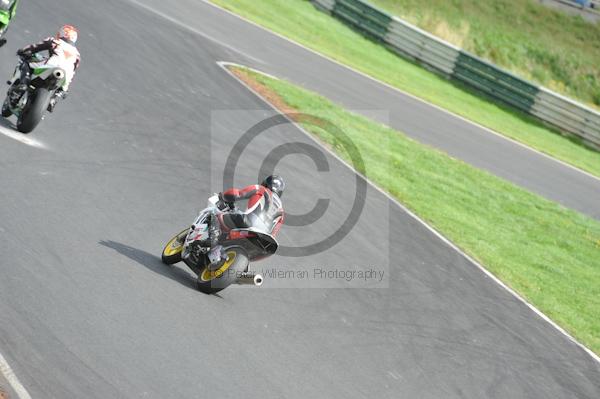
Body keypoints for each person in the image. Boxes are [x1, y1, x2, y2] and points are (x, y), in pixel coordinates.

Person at [206, 175, 285, 268]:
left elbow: (238, 194)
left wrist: (223, 196)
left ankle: (214, 247)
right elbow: (274, 233)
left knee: (213, 216)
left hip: (247, 222)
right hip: (265, 239)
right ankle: (243, 268)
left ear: (265, 183)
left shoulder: (261, 189)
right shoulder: (281, 211)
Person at [9, 25, 80, 112]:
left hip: (51, 65)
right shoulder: (77, 54)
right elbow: (73, 71)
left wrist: (23, 51)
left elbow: (35, 47)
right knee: (64, 85)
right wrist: (65, 89)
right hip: (66, 76)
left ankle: (23, 84)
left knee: (27, 63)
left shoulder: (54, 41)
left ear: (61, 34)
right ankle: (54, 98)